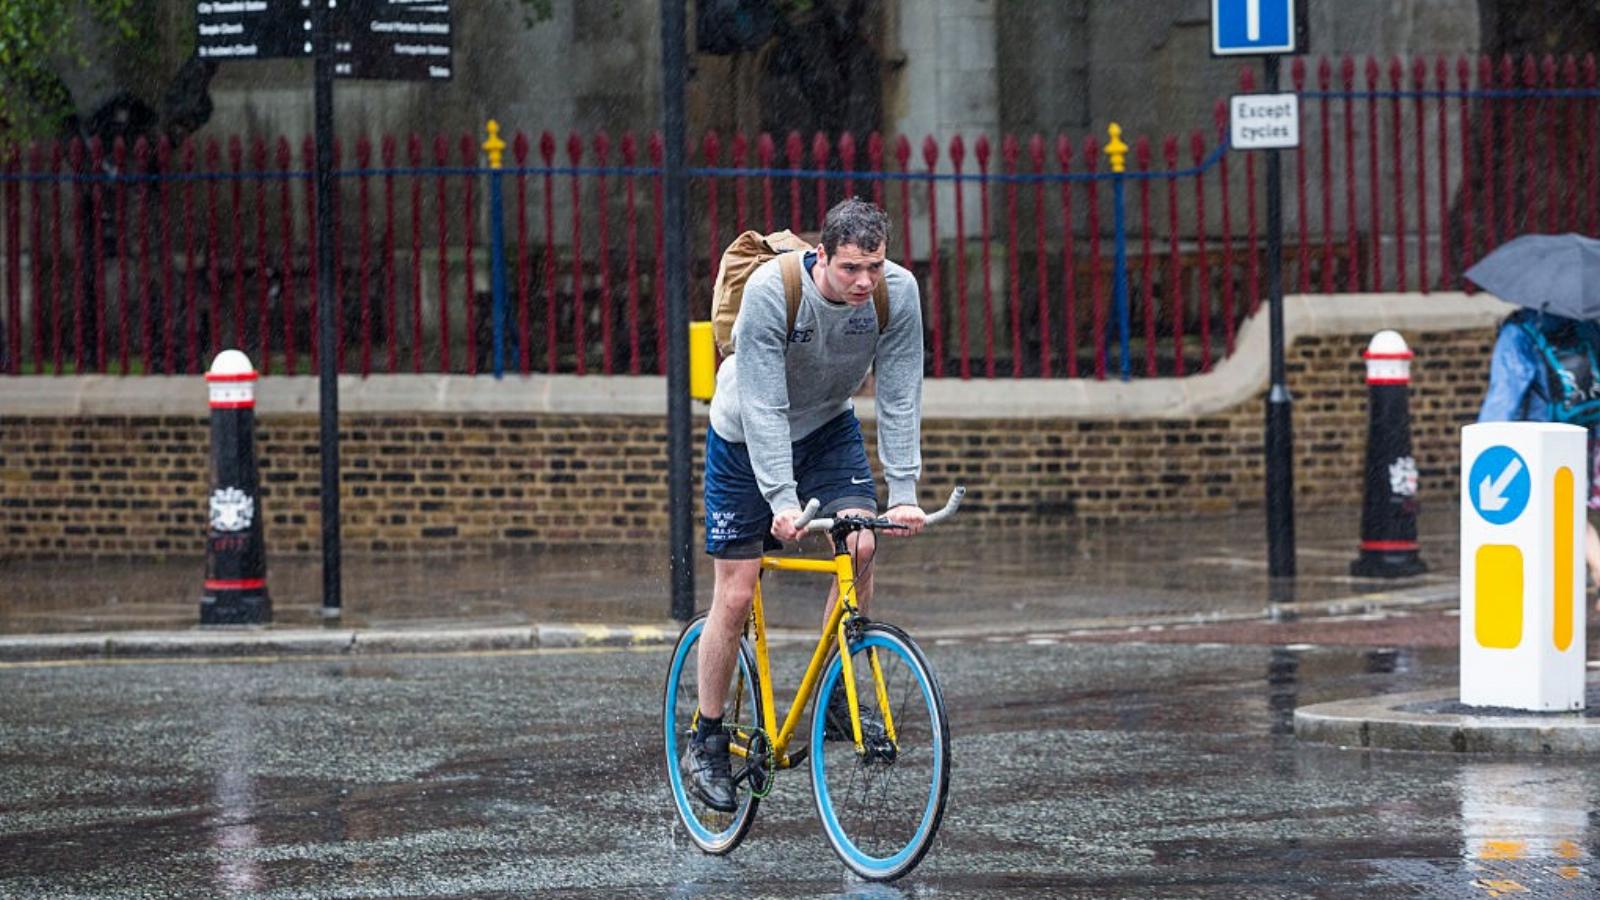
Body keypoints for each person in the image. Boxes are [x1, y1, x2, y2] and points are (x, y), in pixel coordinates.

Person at [681, 198, 927, 812]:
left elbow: (899, 392)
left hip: (825, 430)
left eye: (874, 265)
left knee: (861, 541)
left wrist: (903, 492)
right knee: (736, 593)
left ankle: (839, 692)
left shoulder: (896, 295)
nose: (864, 281)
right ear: (822, 256)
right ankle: (707, 738)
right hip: (745, 437)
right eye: (850, 268)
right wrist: (782, 503)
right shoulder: (773, 291)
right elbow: (762, 405)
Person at [1478, 308, 1600, 604]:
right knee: (1573, 511)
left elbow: (1503, 399)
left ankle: (1593, 570)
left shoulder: (1520, 332)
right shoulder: (1587, 324)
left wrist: (1483, 448)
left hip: (1547, 438)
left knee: (1564, 512)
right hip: (1589, 429)